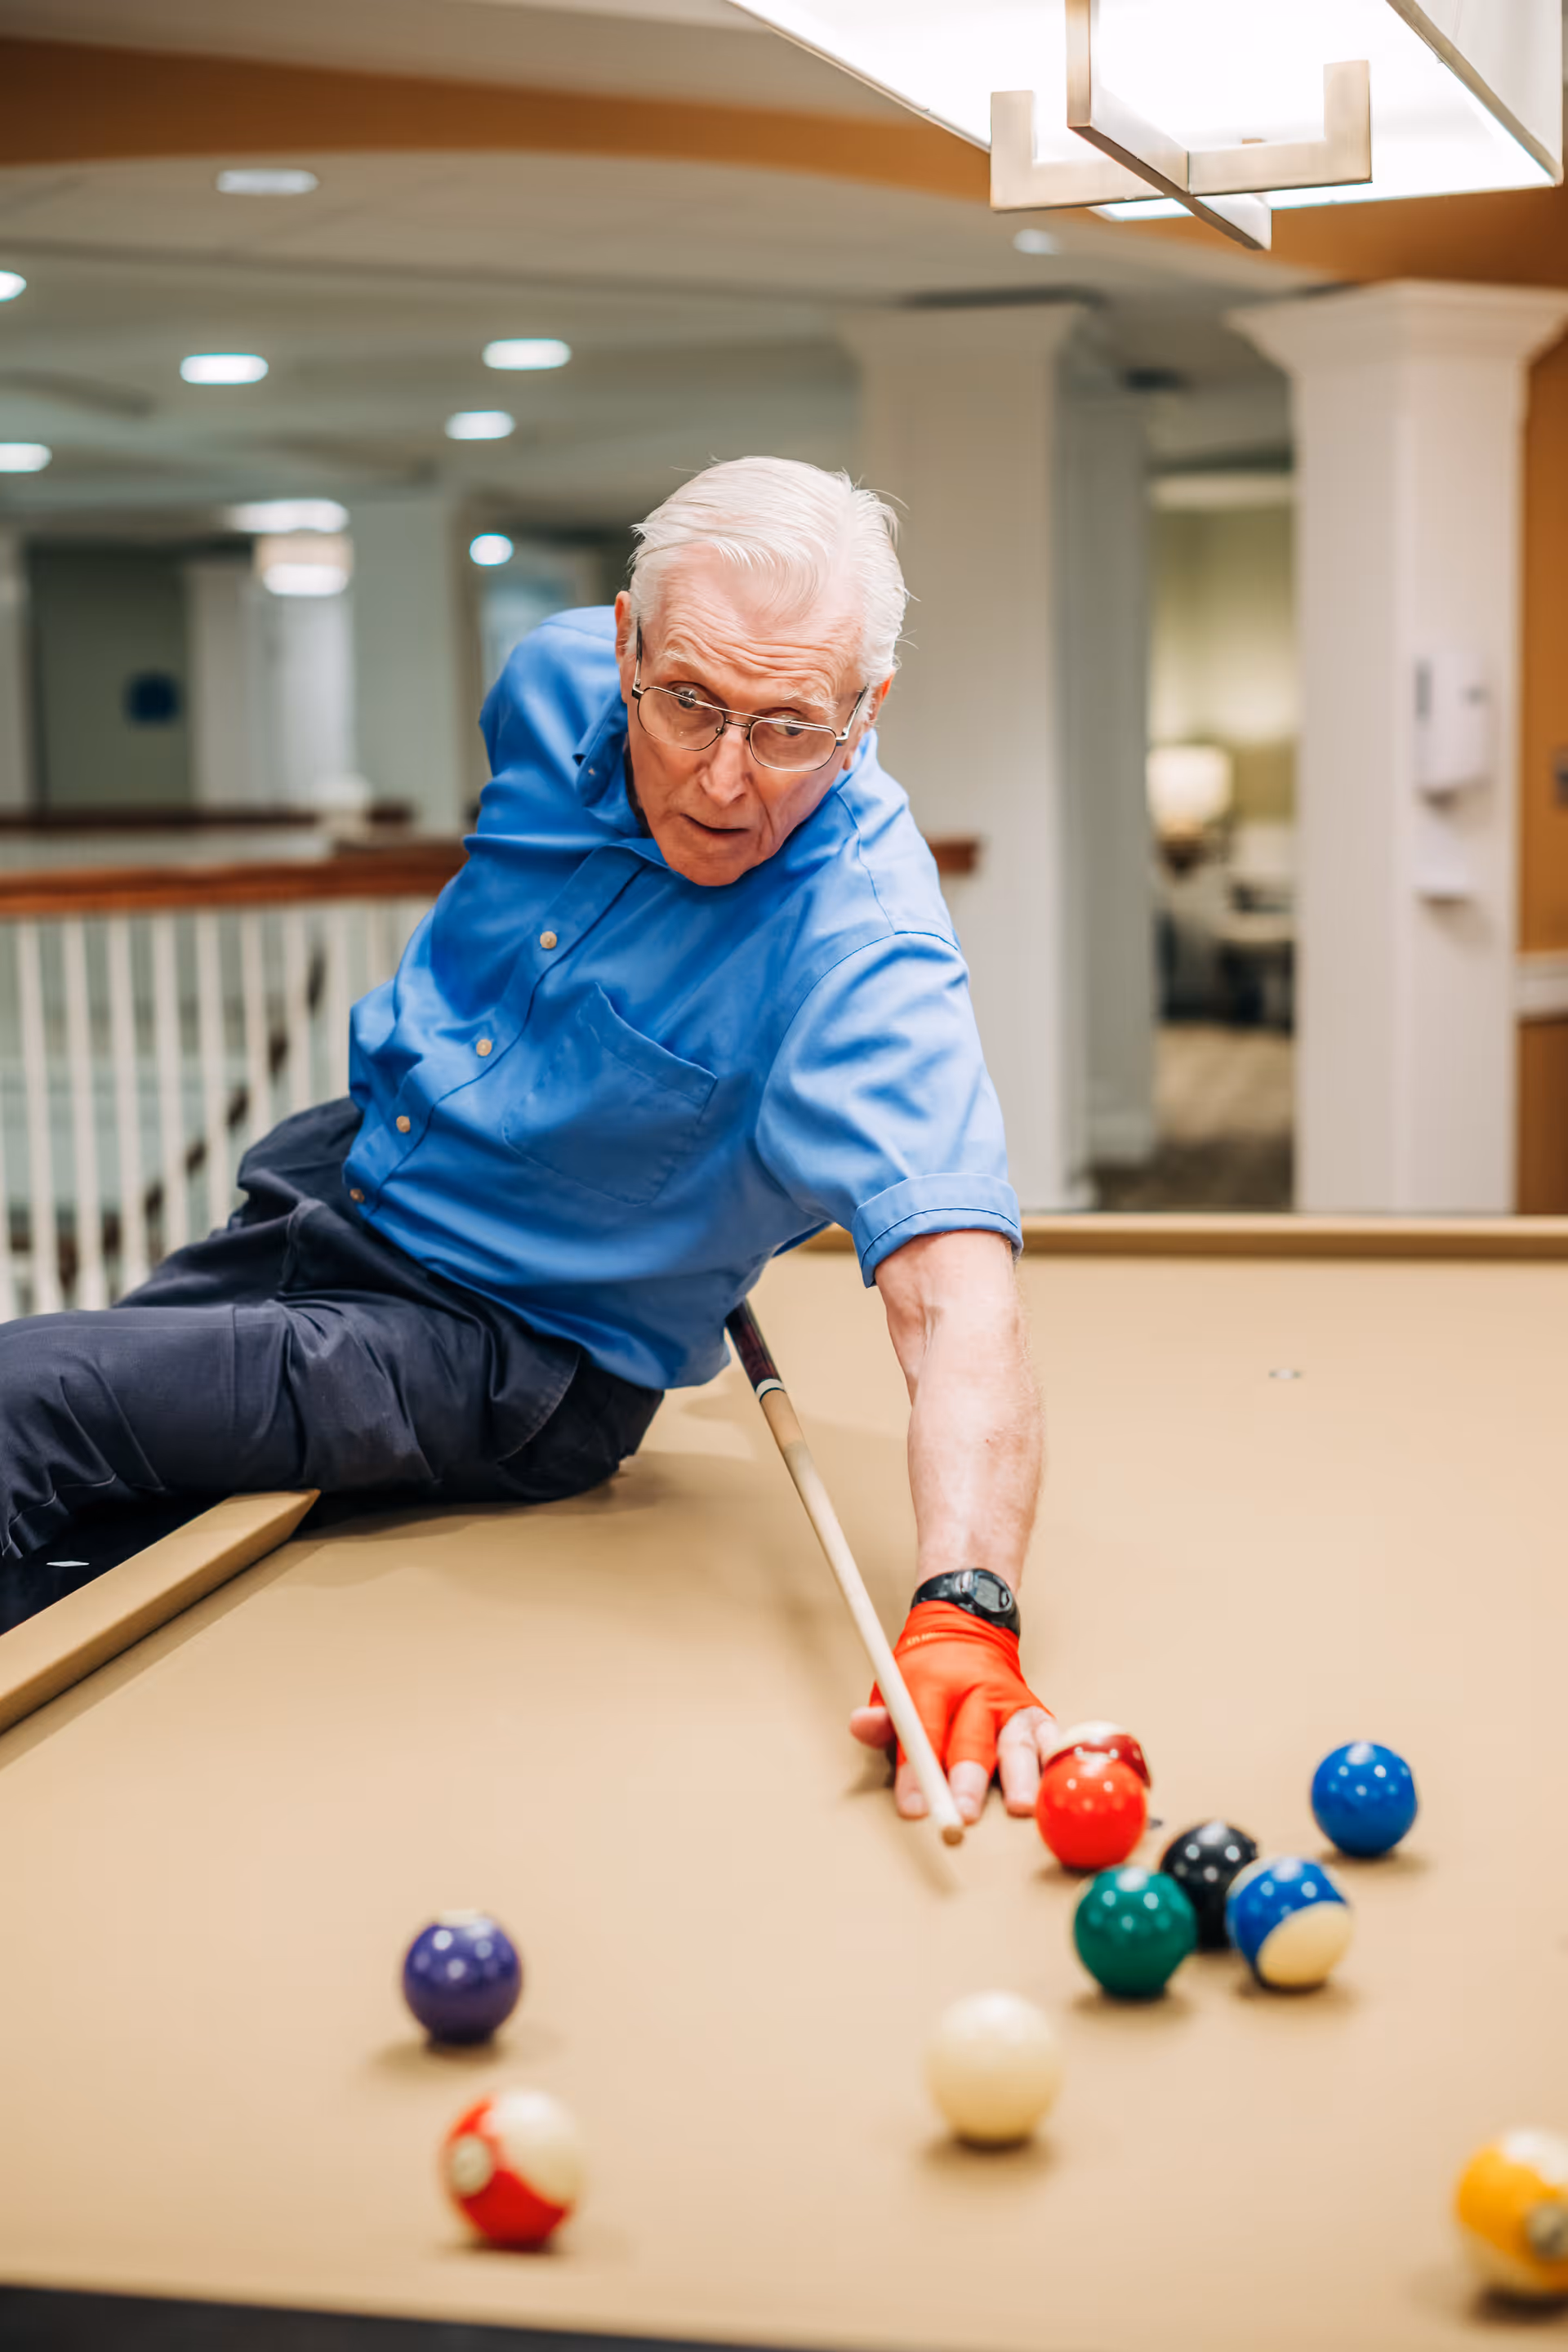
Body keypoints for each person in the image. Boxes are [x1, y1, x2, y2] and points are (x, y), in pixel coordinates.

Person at [0, 457, 1049, 1826]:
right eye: (689, 704)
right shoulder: (551, 680)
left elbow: (958, 1303)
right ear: (622, 645)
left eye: (792, 726)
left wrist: (967, 1608)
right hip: (329, 1188)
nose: (729, 781)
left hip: (505, 1348)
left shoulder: (864, 953)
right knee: (101, 1512)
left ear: (868, 712)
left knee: (26, 1402)